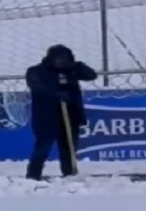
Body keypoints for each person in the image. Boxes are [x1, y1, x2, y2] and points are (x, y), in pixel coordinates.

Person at [25, 44, 97, 180]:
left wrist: (76, 65)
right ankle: (33, 176)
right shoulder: (36, 71)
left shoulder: (72, 70)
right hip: (46, 117)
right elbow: (36, 87)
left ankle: (69, 174)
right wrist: (55, 95)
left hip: (71, 116)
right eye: (58, 59)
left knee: (69, 149)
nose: (60, 62)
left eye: (64, 59)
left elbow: (91, 75)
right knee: (42, 148)